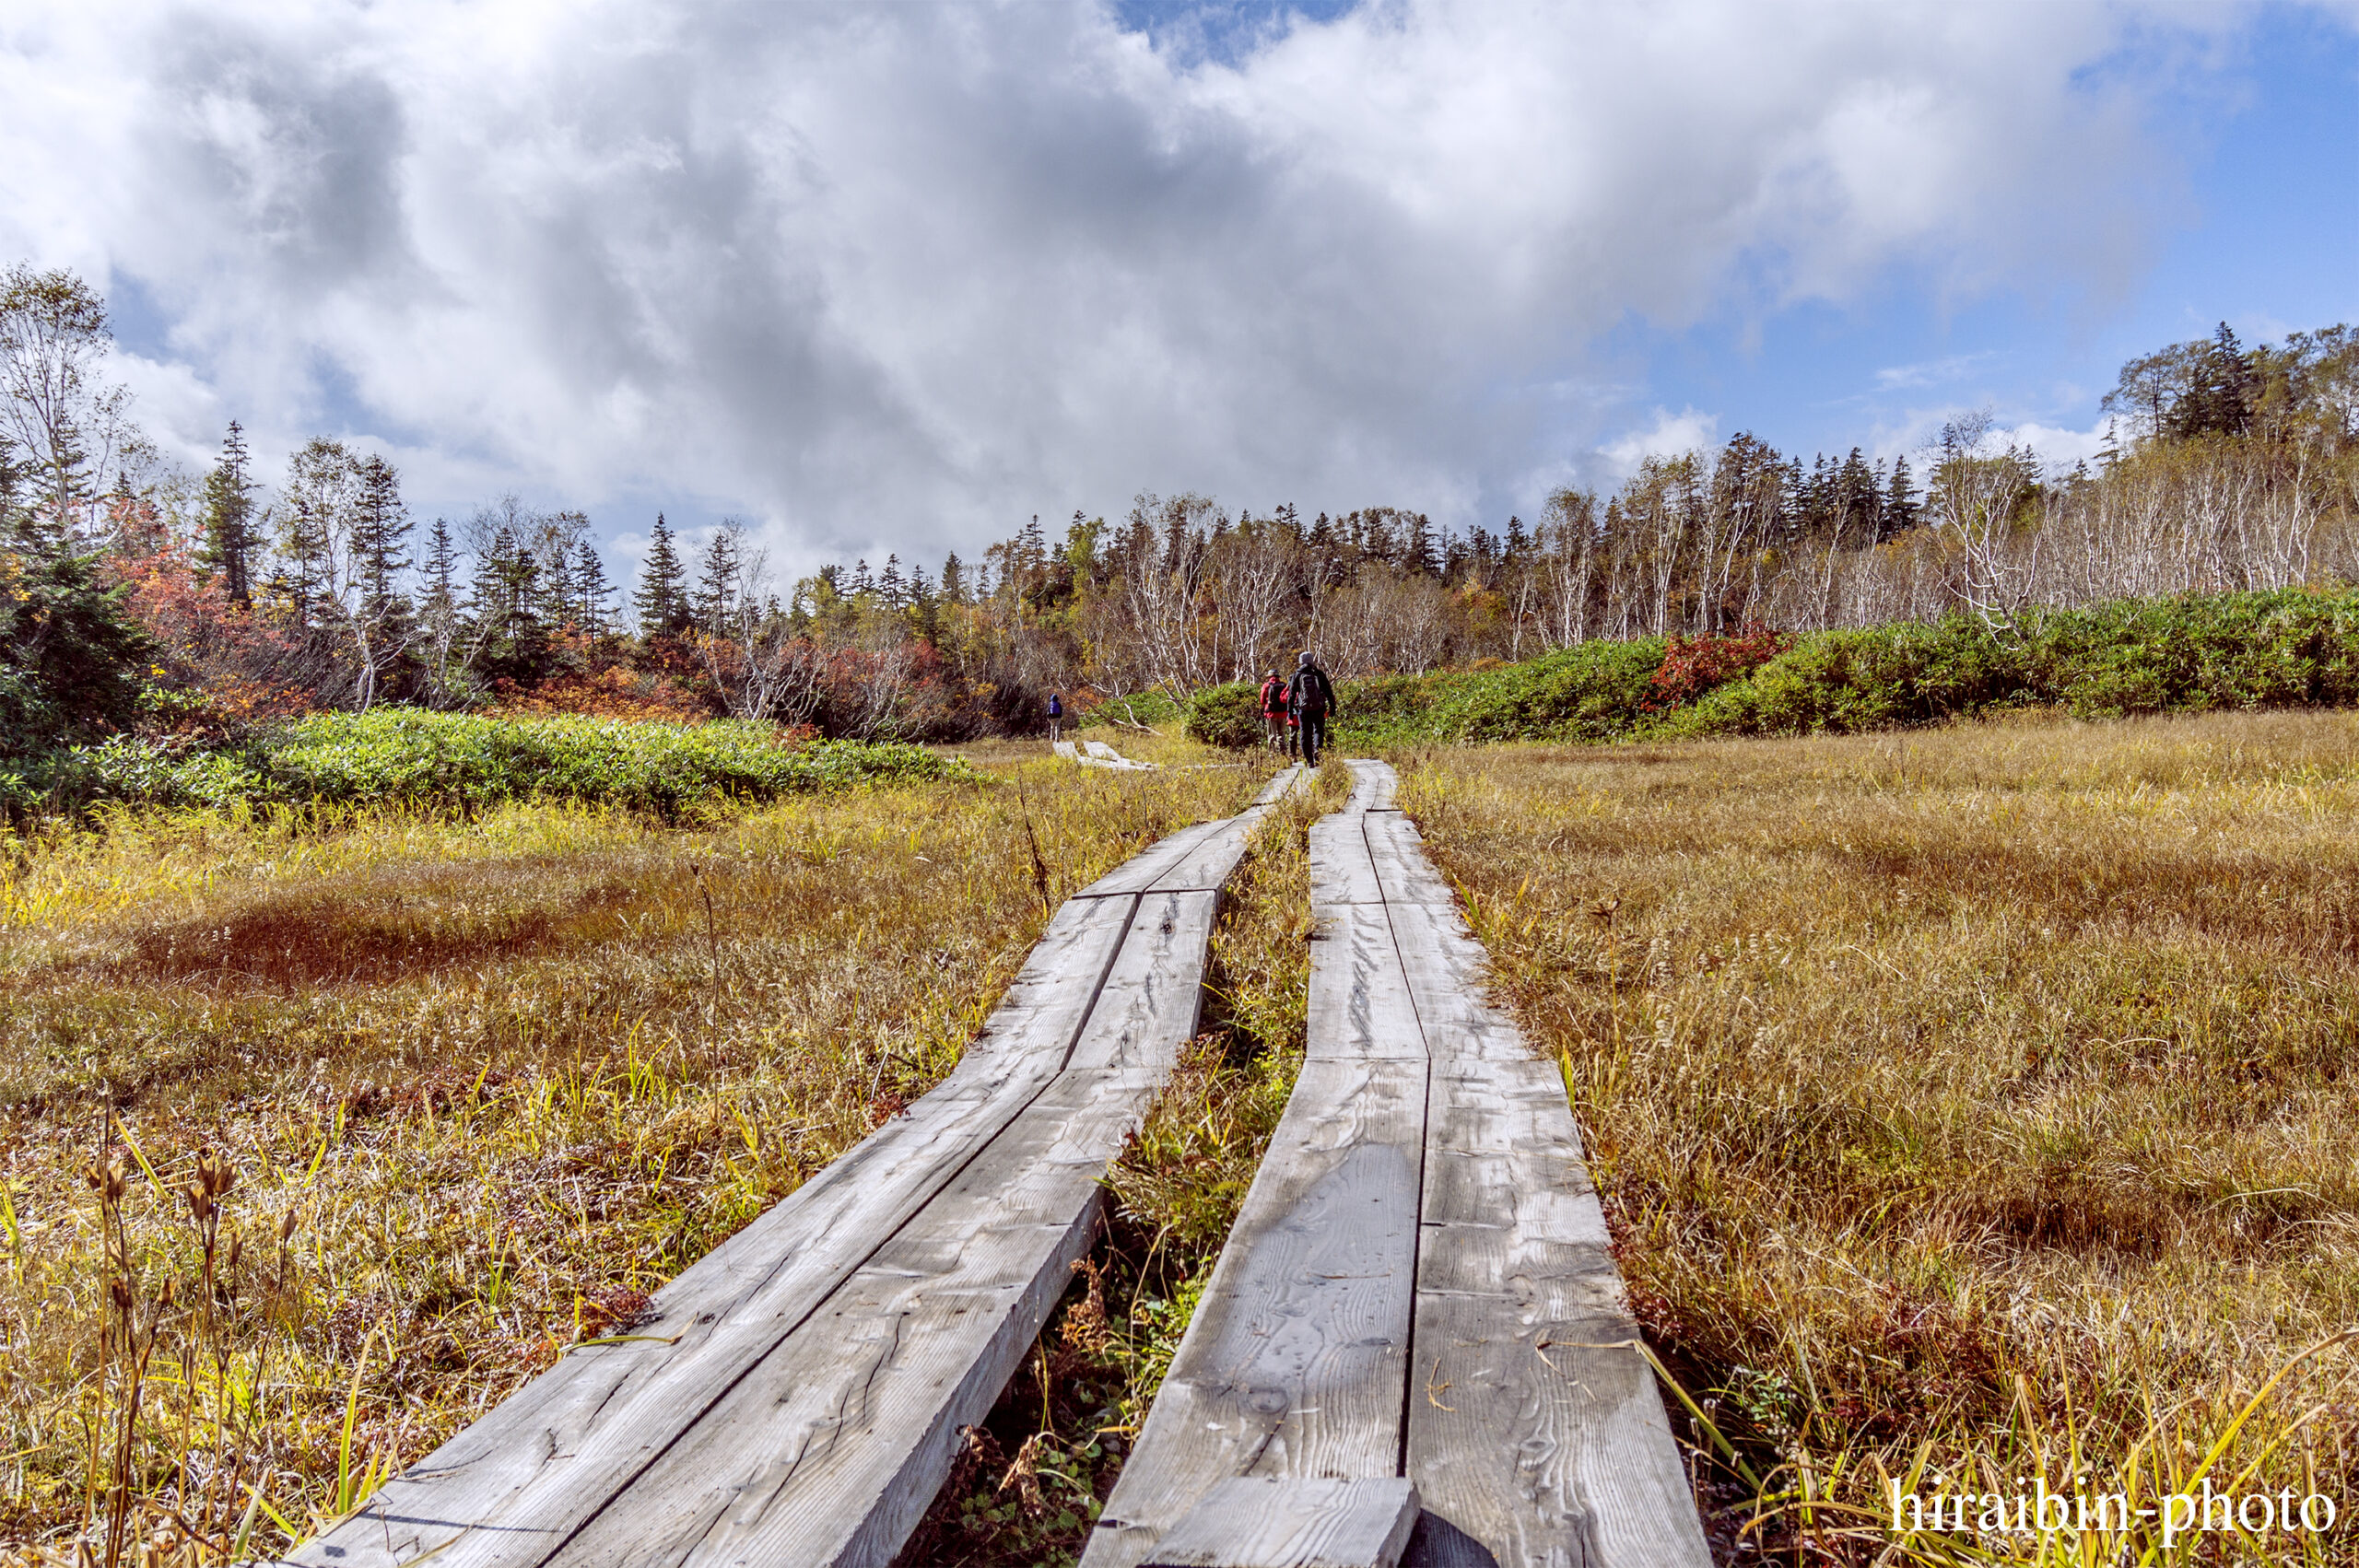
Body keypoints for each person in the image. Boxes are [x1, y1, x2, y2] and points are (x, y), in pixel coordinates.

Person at [1287, 650, 1337, 767]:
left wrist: (1290, 711)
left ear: (1300, 662)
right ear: (1312, 660)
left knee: (1305, 734)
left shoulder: (1297, 674)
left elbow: (1291, 695)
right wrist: (1332, 707)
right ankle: (1317, 750)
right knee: (1318, 731)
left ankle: (1309, 761)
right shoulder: (1318, 673)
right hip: (1319, 707)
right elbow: (1329, 692)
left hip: (1303, 709)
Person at [1257, 668, 1289, 752]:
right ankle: (1283, 751)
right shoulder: (1284, 685)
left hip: (1271, 714)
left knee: (1272, 734)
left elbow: (1262, 701)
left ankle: (1272, 753)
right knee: (1281, 734)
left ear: (1270, 677)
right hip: (1283, 713)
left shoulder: (1266, 685)